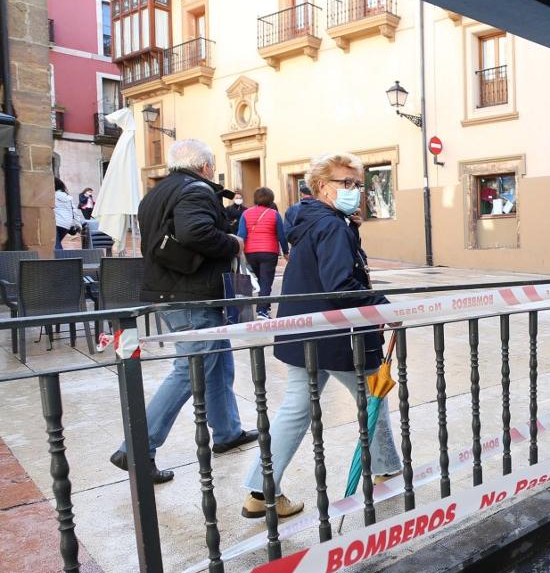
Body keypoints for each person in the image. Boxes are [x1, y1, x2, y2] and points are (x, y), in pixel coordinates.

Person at [241, 152, 400, 518]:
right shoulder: (331, 226)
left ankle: (260, 490)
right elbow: (340, 282)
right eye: (345, 183)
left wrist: (351, 228)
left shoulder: (315, 220)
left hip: (305, 332)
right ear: (322, 187)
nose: (353, 190)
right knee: (373, 395)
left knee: (297, 410)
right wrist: (382, 305)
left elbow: (325, 267)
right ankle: (385, 470)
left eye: (357, 184)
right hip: (338, 335)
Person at [111, 139, 257, 483]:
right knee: (189, 369)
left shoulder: (157, 193)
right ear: (205, 166)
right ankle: (136, 449)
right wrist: (233, 243)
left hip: (173, 290)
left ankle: (227, 432)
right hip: (190, 294)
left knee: (218, 360)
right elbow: (196, 232)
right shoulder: (197, 191)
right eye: (213, 166)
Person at [238, 187, 289, 319]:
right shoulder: (274, 214)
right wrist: (286, 252)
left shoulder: (246, 213)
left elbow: (241, 235)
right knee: (266, 281)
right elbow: (281, 235)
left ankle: (265, 305)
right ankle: (262, 311)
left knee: (262, 279)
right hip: (269, 252)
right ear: (270, 199)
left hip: (250, 252)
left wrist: (238, 252)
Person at [53, 179, 78, 250]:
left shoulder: (53, 195)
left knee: (56, 246)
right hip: (66, 225)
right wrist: (76, 224)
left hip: (57, 223)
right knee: (56, 244)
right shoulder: (67, 196)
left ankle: (61, 261)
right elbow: (74, 211)